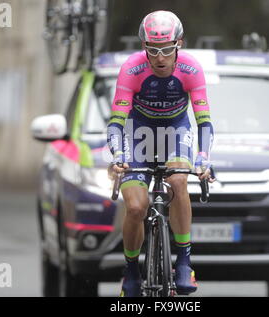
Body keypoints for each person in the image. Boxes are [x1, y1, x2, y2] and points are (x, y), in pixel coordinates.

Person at [106, 10, 215, 297]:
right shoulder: (131, 68)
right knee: (135, 207)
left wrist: (203, 158)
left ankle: (184, 262)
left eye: (167, 49)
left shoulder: (191, 69)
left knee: (179, 180)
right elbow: (117, 122)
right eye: (153, 50)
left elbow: (204, 122)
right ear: (144, 47)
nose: (160, 57)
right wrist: (118, 156)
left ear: (179, 43)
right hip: (137, 132)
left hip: (175, 131)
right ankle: (130, 270)